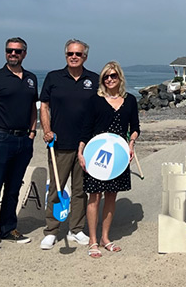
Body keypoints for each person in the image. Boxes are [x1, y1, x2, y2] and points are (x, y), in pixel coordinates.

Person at [0, 37, 38, 253]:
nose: (13, 54)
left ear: (24, 53)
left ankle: (9, 228)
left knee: (13, 188)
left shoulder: (31, 79)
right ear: (5, 53)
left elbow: (33, 107)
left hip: (23, 140)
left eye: (17, 51)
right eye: (9, 51)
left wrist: (32, 132)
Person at [38, 39, 99, 250]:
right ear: (66, 55)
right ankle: (51, 230)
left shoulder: (94, 79)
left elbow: (101, 109)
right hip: (59, 143)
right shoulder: (54, 77)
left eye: (78, 54)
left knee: (80, 190)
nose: (74, 57)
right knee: (56, 187)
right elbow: (44, 106)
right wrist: (46, 130)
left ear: (85, 57)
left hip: (86, 146)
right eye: (70, 53)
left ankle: (76, 229)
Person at [78, 62, 140, 258]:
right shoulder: (94, 100)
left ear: (119, 77)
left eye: (113, 76)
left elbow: (135, 126)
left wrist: (131, 144)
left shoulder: (129, 100)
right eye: (106, 76)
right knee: (94, 196)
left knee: (111, 196)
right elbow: (86, 128)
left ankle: (105, 238)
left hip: (119, 156)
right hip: (96, 154)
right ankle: (92, 240)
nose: (110, 79)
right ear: (102, 80)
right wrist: (81, 152)